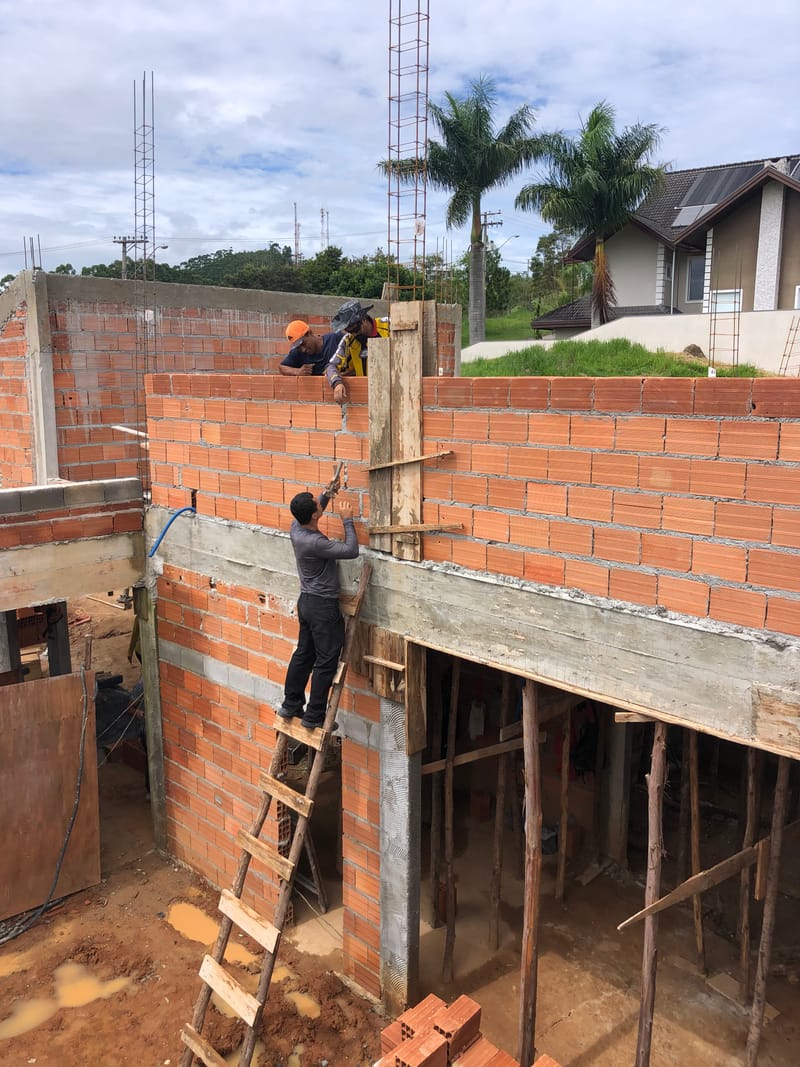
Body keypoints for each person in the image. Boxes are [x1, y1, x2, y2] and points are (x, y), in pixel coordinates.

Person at [278, 479, 359, 729]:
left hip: (307, 603)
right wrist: (347, 520)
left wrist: (327, 494)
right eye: (317, 504)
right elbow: (351, 550)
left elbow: (314, 509)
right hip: (323, 608)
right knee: (326, 661)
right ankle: (314, 716)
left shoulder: (297, 527)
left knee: (304, 653)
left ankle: (291, 704)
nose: (319, 504)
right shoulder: (315, 543)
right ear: (314, 515)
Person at [325, 300, 390, 405]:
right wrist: (337, 382)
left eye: (355, 330)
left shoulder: (389, 326)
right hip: (370, 396)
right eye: (349, 331)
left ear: (363, 320)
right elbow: (331, 366)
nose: (353, 334)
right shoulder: (348, 340)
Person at [279, 320, 344, 377]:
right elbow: (282, 367)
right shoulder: (298, 352)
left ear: (309, 333)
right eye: (298, 347)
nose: (303, 349)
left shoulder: (335, 339)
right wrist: (298, 371)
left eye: (303, 344)